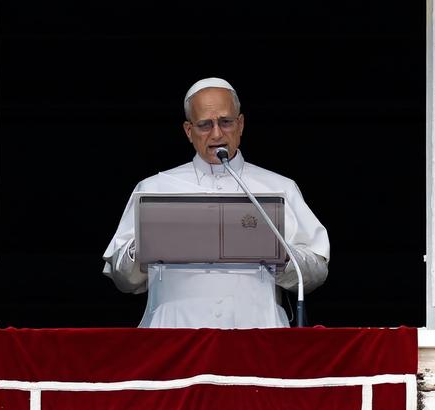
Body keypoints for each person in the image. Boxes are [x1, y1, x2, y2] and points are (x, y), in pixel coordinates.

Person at [103, 77, 329, 328]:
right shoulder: (154, 188)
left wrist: (282, 257)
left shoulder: (279, 187)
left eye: (226, 122)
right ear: (189, 131)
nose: (217, 133)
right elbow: (123, 279)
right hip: (174, 331)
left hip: (258, 330)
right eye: (205, 125)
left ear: (240, 124)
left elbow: (316, 272)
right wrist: (145, 248)